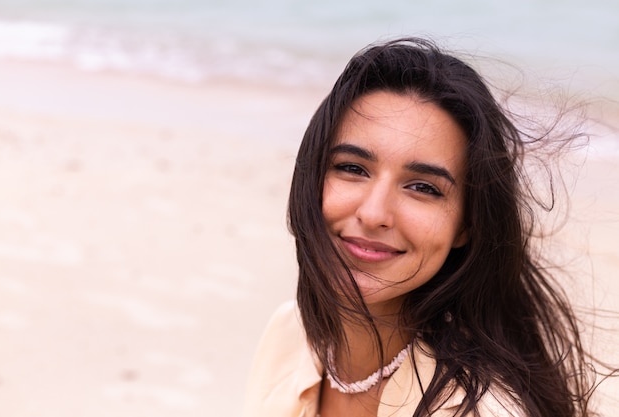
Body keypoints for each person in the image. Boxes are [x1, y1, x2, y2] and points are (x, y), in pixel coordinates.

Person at [243, 37, 602, 416]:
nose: (374, 213)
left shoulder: (481, 408)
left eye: (422, 188)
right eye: (352, 167)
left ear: (467, 225)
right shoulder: (290, 332)